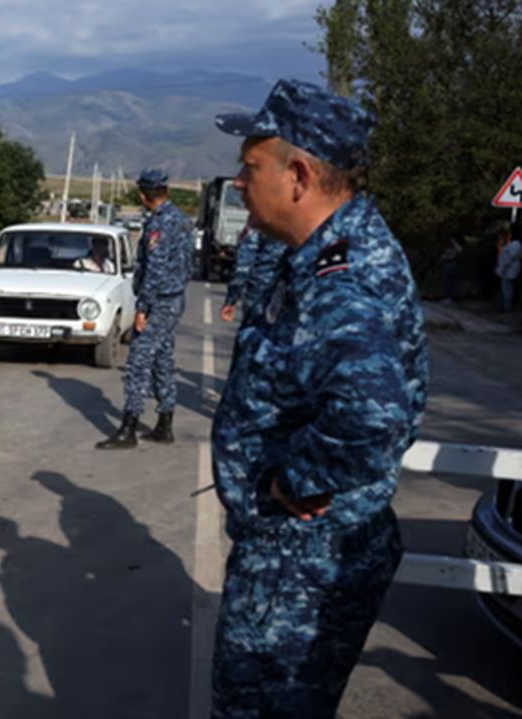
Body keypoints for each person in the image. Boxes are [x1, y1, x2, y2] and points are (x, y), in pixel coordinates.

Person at [210, 78, 428, 718]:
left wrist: (293, 479)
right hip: (298, 557)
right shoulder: (318, 254)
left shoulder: (342, 275)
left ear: (299, 175)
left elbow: (372, 414)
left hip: (299, 562)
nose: (240, 183)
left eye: (251, 168)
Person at [96, 167, 193, 449]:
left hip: (159, 301)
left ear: (143, 195)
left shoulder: (160, 224)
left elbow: (155, 270)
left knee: (138, 362)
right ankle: (165, 422)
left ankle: (129, 427)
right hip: (174, 299)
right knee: (162, 359)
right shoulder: (182, 220)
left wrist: (143, 308)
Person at [220, 225, 286, 322]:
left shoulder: (261, 224)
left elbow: (243, 268)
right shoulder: (310, 224)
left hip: (260, 297)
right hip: (299, 301)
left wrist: (231, 300)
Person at [495, 228, 521, 312]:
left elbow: (508, 258)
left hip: (509, 270)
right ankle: (505, 306)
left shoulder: (515, 245)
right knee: (505, 289)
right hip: (507, 269)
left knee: (507, 290)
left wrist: (502, 268)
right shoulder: (513, 245)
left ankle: (507, 307)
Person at [438, 235, 463, 304]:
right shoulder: (447, 247)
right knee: (447, 281)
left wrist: (454, 242)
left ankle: (451, 297)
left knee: (451, 281)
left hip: (452, 263)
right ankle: (448, 296)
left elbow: (460, 251)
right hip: (447, 263)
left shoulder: (456, 247)